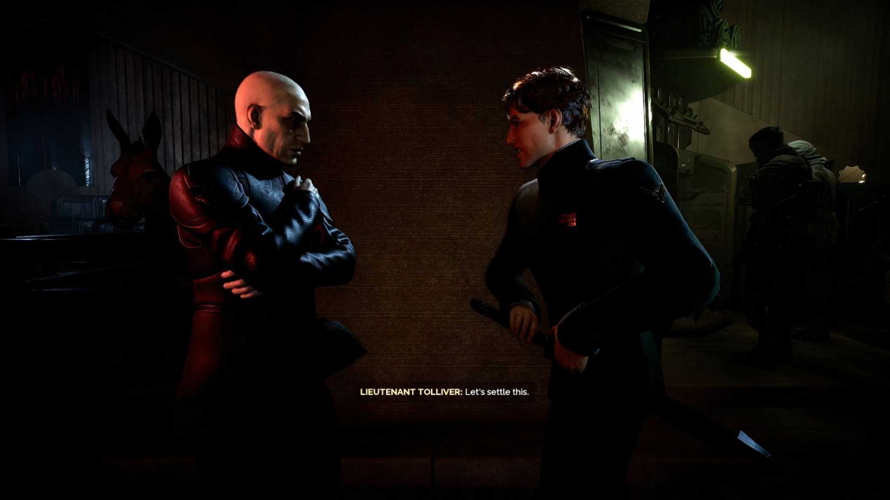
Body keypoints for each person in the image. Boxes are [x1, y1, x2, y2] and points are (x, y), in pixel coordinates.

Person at [485, 67, 720, 499]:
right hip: (568, 379)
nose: (508, 138)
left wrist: (581, 329)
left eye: (517, 123)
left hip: (622, 380)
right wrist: (519, 301)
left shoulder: (624, 179)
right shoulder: (528, 198)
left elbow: (695, 276)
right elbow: (501, 271)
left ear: (553, 119)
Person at [168, 71, 355, 495]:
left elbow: (345, 259)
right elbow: (261, 258)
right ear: (254, 116)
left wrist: (273, 278)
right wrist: (304, 208)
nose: (306, 137)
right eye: (294, 121)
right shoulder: (200, 179)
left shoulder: (294, 187)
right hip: (230, 392)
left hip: (297, 384)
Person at [742, 127, 815, 367]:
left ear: (765, 146)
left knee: (765, 297)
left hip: (774, 240)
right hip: (793, 239)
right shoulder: (798, 163)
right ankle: (780, 348)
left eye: (756, 151)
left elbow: (763, 203)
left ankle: (769, 349)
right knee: (781, 301)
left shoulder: (777, 165)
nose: (755, 156)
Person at [789, 140, 838, 341]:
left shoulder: (815, 173)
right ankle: (817, 327)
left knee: (811, 280)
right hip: (827, 228)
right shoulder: (826, 171)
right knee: (820, 280)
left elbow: (807, 204)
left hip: (817, 229)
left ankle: (812, 328)